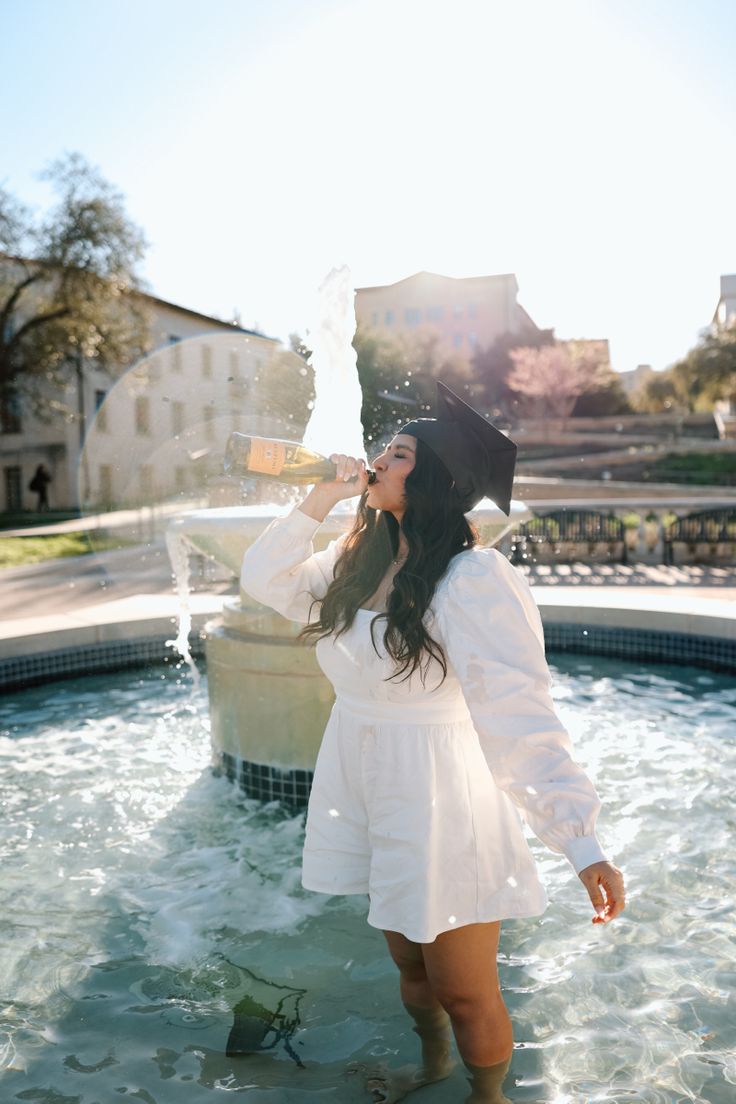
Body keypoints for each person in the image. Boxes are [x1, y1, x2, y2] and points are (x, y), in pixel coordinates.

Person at [240, 382, 626, 1103]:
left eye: (400, 453)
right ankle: (433, 1068)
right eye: (385, 449)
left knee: (466, 990)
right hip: (364, 775)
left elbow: (518, 714)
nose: (380, 460)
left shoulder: (473, 578)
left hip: (441, 796)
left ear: (440, 480)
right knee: (410, 969)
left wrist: (580, 841)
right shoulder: (354, 560)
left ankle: (490, 1098)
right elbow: (261, 579)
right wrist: (319, 498)